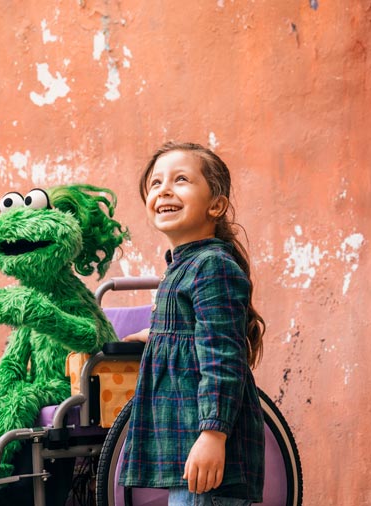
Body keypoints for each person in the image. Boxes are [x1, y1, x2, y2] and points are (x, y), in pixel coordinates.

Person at [119, 142, 266, 506]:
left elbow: (222, 357)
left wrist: (213, 434)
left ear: (215, 205)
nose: (164, 190)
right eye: (155, 184)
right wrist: (157, 337)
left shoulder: (211, 266)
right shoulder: (183, 267)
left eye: (181, 180)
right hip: (188, 451)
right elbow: (197, 333)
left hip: (207, 450)